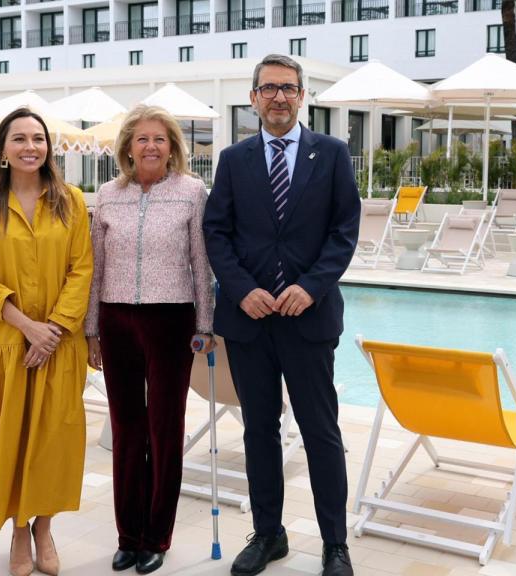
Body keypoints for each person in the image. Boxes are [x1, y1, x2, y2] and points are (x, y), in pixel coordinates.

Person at [202, 54, 361, 576]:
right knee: (258, 431)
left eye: (288, 88)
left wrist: (311, 288)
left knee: (321, 432)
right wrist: (242, 290)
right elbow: (217, 233)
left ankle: (335, 545)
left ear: (301, 95)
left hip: (307, 320)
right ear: (253, 98)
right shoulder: (233, 159)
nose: (278, 97)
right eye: (268, 88)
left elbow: (344, 232)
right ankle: (269, 534)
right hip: (249, 321)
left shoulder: (333, 154)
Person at [0, 107, 93, 576]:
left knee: (52, 442)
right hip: (6, 348)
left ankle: (44, 526)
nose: (30, 146)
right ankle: (19, 530)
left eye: (37, 138)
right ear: (2, 150)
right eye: (19, 139)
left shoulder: (72, 201)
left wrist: (52, 329)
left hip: (60, 346)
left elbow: (82, 270)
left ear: (48, 148)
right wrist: (28, 327)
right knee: (11, 441)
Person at [86, 104, 215, 575]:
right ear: (127, 147)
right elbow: (96, 266)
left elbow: (201, 263)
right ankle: (128, 535)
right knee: (126, 430)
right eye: (142, 138)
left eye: (160, 139)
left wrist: (204, 325)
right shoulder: (107, 195)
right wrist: (91, 329)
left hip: (171, 320)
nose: (151, 146)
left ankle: (157, 536)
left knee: (164, 431)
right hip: (117, 318)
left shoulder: (191, 192)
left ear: (173, 147)